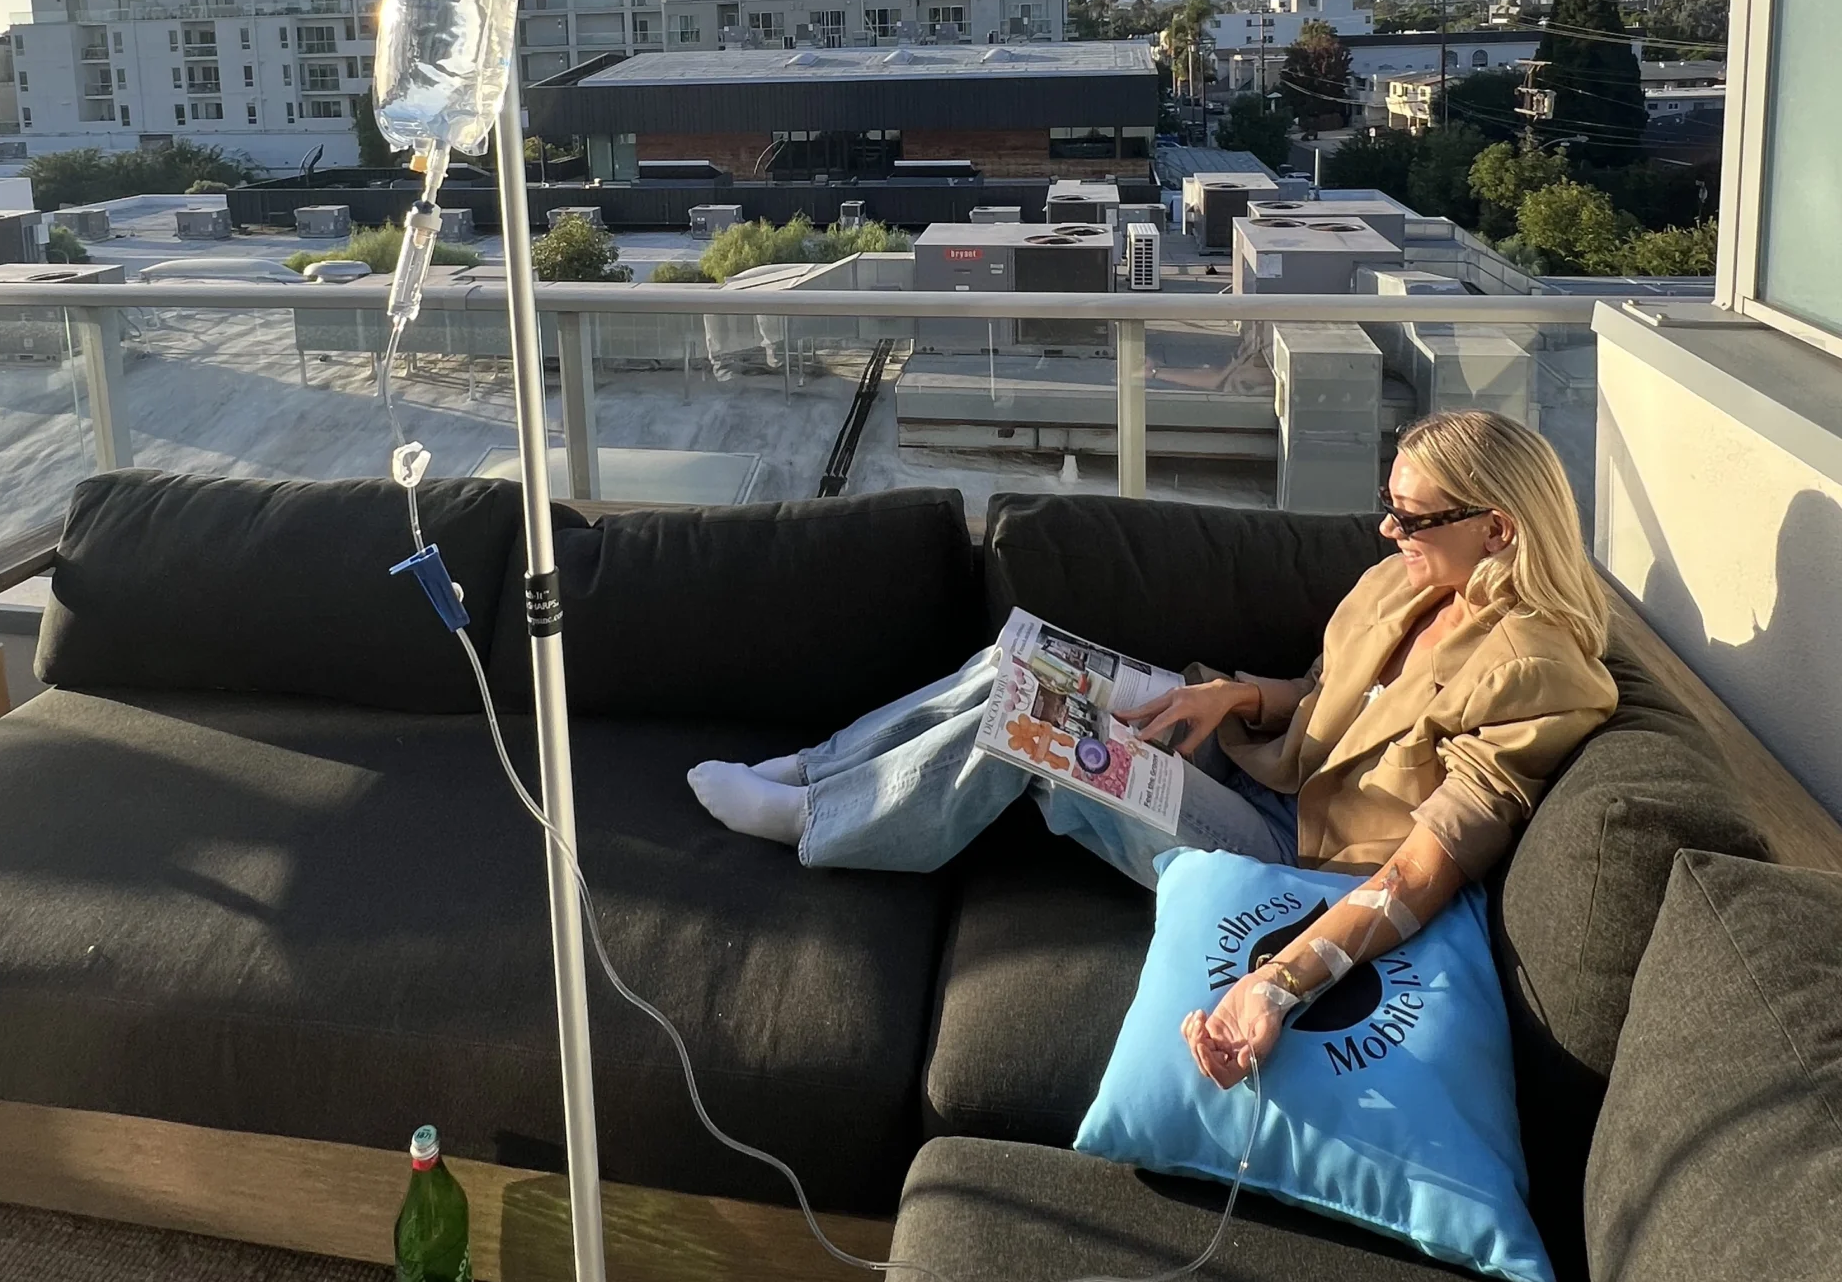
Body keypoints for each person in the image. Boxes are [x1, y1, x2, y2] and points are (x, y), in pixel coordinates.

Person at [689, 410, 1617, 1089]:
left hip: (1294, 861)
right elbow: (1344, 701)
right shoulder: (1405, 583)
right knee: (1026, 655)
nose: (1387, 530)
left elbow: (1425, 867)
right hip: (1273, 768)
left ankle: (821, 821)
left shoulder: (1539, 674)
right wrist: (1239, 695)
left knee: (1031, 733)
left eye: (1412, 517)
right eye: (1390, 506)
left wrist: (1281, 982)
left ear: (1498, 529)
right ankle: (826, 762)